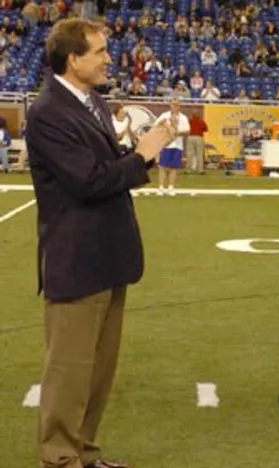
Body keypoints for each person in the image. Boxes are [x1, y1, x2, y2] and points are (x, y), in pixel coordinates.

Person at [25, 18, 175, 468]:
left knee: (97, 373)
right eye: (100, 51)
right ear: (73, 59)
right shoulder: (48, 110)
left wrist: (141, 151)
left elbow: (108, 171)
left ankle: (84, 453)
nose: (110, 58)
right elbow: (88, 181)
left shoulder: (91, 100)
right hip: (77, 258)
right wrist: (144, 155)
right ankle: (59, 458)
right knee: (69, 372)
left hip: (108, 256)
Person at [154, 98, 190, 195]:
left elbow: (187, 131)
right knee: (162, 166)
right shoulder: (165, 116)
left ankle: (171, 187)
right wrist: (166, 128)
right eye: (173, 104)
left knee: (174, 167)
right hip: (166, 144)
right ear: (170, 105)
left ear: (179, 106)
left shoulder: (183, 117)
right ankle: (161, 187)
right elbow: (156, 125)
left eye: (177, 105)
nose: (175, 106)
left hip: (177, 145)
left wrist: (176, 132)